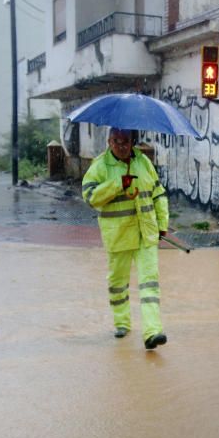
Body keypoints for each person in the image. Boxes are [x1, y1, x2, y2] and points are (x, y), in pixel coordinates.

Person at [82, 127, 170, 350]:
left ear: (132, 142)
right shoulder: (100, 166)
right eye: (116, 141)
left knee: (149, 283)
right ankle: (122, 322)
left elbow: (158, 194)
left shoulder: (143, 162)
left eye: (126, 142)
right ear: (109, 141)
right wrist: (118, 184)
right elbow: (90, 197)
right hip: (118, 235)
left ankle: (152, 331)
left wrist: (162, 224)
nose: (121, 146)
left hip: (145, 232)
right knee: (118, 283)